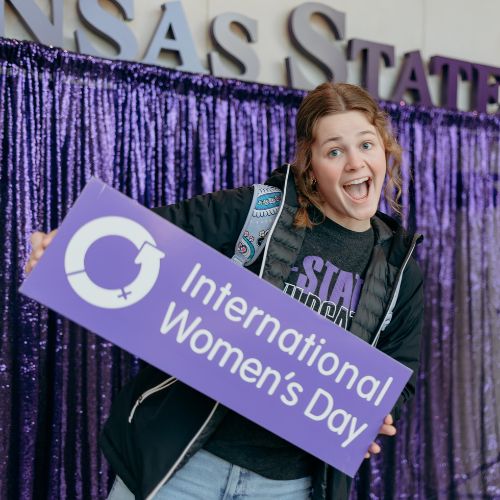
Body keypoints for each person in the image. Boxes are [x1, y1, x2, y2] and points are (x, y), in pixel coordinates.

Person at [25, 82, 424, 500]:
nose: (354, 163)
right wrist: (64, 248)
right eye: (335, 151)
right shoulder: (260, 212)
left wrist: (374, 415)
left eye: (366, 144)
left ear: (385, 150)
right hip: (182, 468)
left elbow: (400, 374)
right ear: (310, 164)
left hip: (288, 487)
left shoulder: (400, 271)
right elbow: (146, 235)